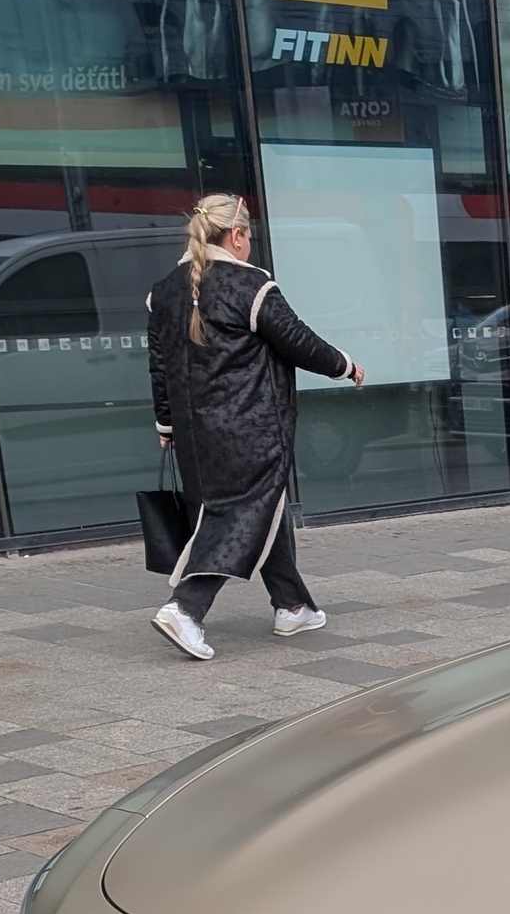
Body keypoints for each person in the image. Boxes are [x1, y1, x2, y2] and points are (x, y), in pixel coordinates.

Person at [145, 192, 364, 662]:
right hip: (251, 428)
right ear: (238, 235)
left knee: (261, 508)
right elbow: (298, 341)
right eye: (248, 236)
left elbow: (160, 367)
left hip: (194, 435)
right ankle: (185, 608)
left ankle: (293, 605)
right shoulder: (251, 287)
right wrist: (344, 365)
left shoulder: (163, 291)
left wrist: (166, 422)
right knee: (241, 514)